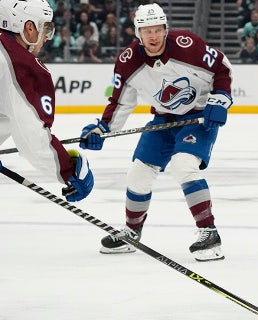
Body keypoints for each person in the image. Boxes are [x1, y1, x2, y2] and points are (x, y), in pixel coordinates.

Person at [78, 3, 233, 262]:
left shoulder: (187, 45)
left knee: (184, 166)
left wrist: (220, 100)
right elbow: (119, 102)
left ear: (165, 28)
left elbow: (222, 68)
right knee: (138, 172)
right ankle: (131, 232)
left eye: (158, 29)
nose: (153, 36)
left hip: (197, 118)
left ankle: (209, 232)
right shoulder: (128, 62)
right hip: (163, 121)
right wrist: (102, 128)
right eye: (147, 30)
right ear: (138, 32)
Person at [0, 0, 93, 203]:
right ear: (29, 27)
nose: (46, 38)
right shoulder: (16, 63)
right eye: (45, 28)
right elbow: (32, 135)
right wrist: (69, 170)